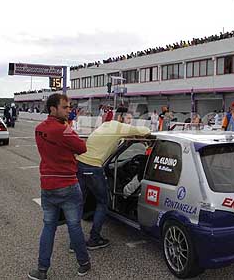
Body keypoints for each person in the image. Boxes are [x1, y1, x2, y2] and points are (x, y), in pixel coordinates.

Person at [28, 94, 91, 280]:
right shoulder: (64, 130)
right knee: (74, 226)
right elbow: (82, 148)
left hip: (47, 184)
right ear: (53, 109)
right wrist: (68, 127)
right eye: (65, 107)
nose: (69, 110)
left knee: (48, 227)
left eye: (69, 107)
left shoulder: (39, 129)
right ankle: (84, 264)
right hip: (67, 184)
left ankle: (41, 270)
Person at [76, 113, 150, 249]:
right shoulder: (118, 126)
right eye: (128, 118)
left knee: (79, 203)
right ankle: (94, 239)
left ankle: (74, 242)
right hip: (93, 167)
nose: (130, 122)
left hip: (80, 165)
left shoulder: (104, 126)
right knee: (103, 203)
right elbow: (145, 131)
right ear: (120, 118)